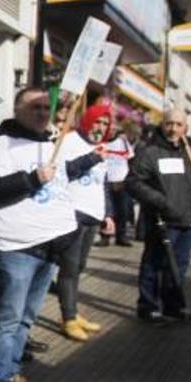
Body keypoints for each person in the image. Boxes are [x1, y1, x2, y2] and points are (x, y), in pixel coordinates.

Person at [0, 88, 80, 382]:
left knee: (26, 319)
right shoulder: (1, 144)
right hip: (15, 246)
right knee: (7, 319)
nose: (41, 113)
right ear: (17, 110)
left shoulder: (53, 143)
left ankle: (12, 374)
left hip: (49, 246)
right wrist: (31, 179)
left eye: (45, 107)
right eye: (33, 107)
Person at [126, 108, 191, 323]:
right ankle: (148, 306)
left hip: (185, 218)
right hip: (160, 219)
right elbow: (133, 182)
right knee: (153, 263)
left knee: (179, 266)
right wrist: (162, 202)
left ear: (185, 127)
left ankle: (174, 306)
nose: (173, 129)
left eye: (178, 125)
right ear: (162, 125)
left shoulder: (190, 148)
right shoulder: (150, 150)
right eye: (169, 124)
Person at [53, 103, 112, 342]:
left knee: (79, 267)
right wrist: (91, 158)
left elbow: (103, 184)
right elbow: (63, 172)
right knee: (69, 267)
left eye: (105, 124)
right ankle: (68, 317)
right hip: (73, 213)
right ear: (87, 120)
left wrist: (108, 214)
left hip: (93, 215)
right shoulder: (69, 141)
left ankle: (73, 312)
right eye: (97, 121)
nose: (100, 127)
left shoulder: (102, 147)